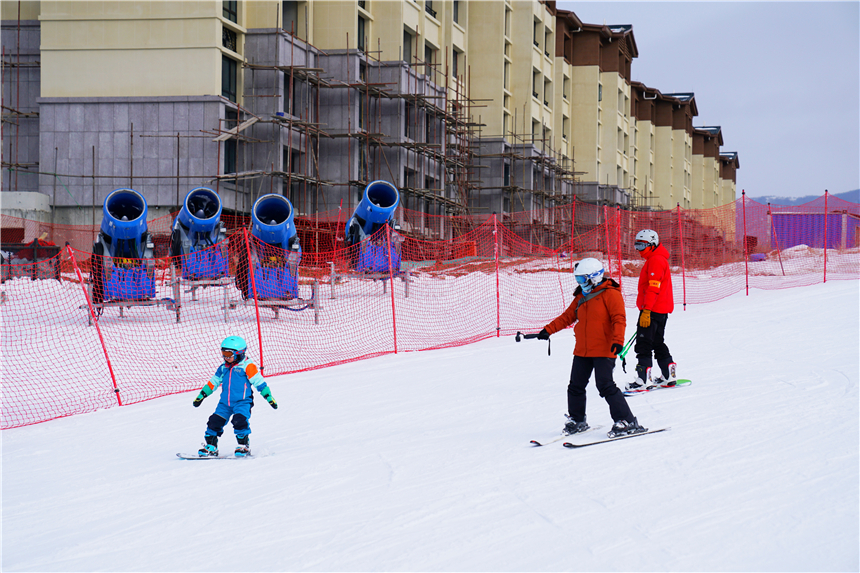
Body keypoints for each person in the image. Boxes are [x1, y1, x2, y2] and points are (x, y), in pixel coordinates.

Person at [537, 258, 646, 438]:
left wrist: (618, 341)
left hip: (605, 348)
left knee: (605, 386)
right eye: (577, 280)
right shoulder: (581, 296)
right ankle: (577, 419)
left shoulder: (610, 294)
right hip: (583, 349)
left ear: (594, 277)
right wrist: (548, 330)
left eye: (582, 280)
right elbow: (567, 317)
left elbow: (619, 319)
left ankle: (626, 421)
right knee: (575, 386)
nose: (579, 284)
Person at [192, 335, 278, 456]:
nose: (225, 357)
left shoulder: (248, 366)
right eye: (223, 353)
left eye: (228, 354)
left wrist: (268, 396)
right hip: (225, 403)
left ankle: (244, 446)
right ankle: (211, 446)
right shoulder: (223, 367)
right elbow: (214, 382)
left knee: (239, 420)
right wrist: (202, 395)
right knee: (214, 421)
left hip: (242, 402)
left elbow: (259, 382)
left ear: (239, 353)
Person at [625, 229, 676, 392]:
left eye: (642, 245)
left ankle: (642, 380)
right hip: (659, 310)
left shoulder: (655, 260)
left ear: (652, 245)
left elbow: (653, 288)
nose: (638, 249)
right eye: (636, 245)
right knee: (657, 341)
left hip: (652, 309)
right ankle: (669, 375)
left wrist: (646, 311)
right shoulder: (657, 259)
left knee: (644, 344)